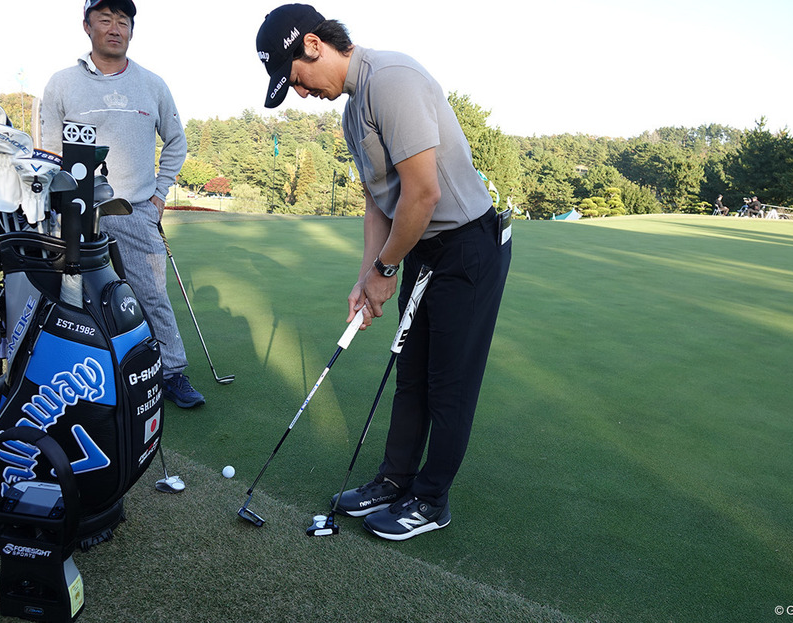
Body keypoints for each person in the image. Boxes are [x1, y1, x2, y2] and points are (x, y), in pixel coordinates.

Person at [256, 4, 511, 541]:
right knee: (411, 373)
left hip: (467, 248)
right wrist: (367, 276)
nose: (300, 93)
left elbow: (423, 192)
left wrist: (387, 267)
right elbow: (379, 204)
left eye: (296, 80)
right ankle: (395, 480)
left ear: (313, 45)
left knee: (448, 384)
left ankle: (431, 499)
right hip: (422, 247)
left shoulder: (392, 81)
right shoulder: (353, 111)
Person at [41, 0, 205, 408]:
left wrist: (159, 194)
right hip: (75, 214)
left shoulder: (152, 84)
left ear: (131, 29)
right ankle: (81, 374)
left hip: (135, 210)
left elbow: (177, 142)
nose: (115, 27)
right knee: (70, 298)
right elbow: (46, 152)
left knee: (152, 295)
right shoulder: (61, 83)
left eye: (123, 20)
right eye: (105, 18)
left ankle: (172, 372)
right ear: (86, 25)